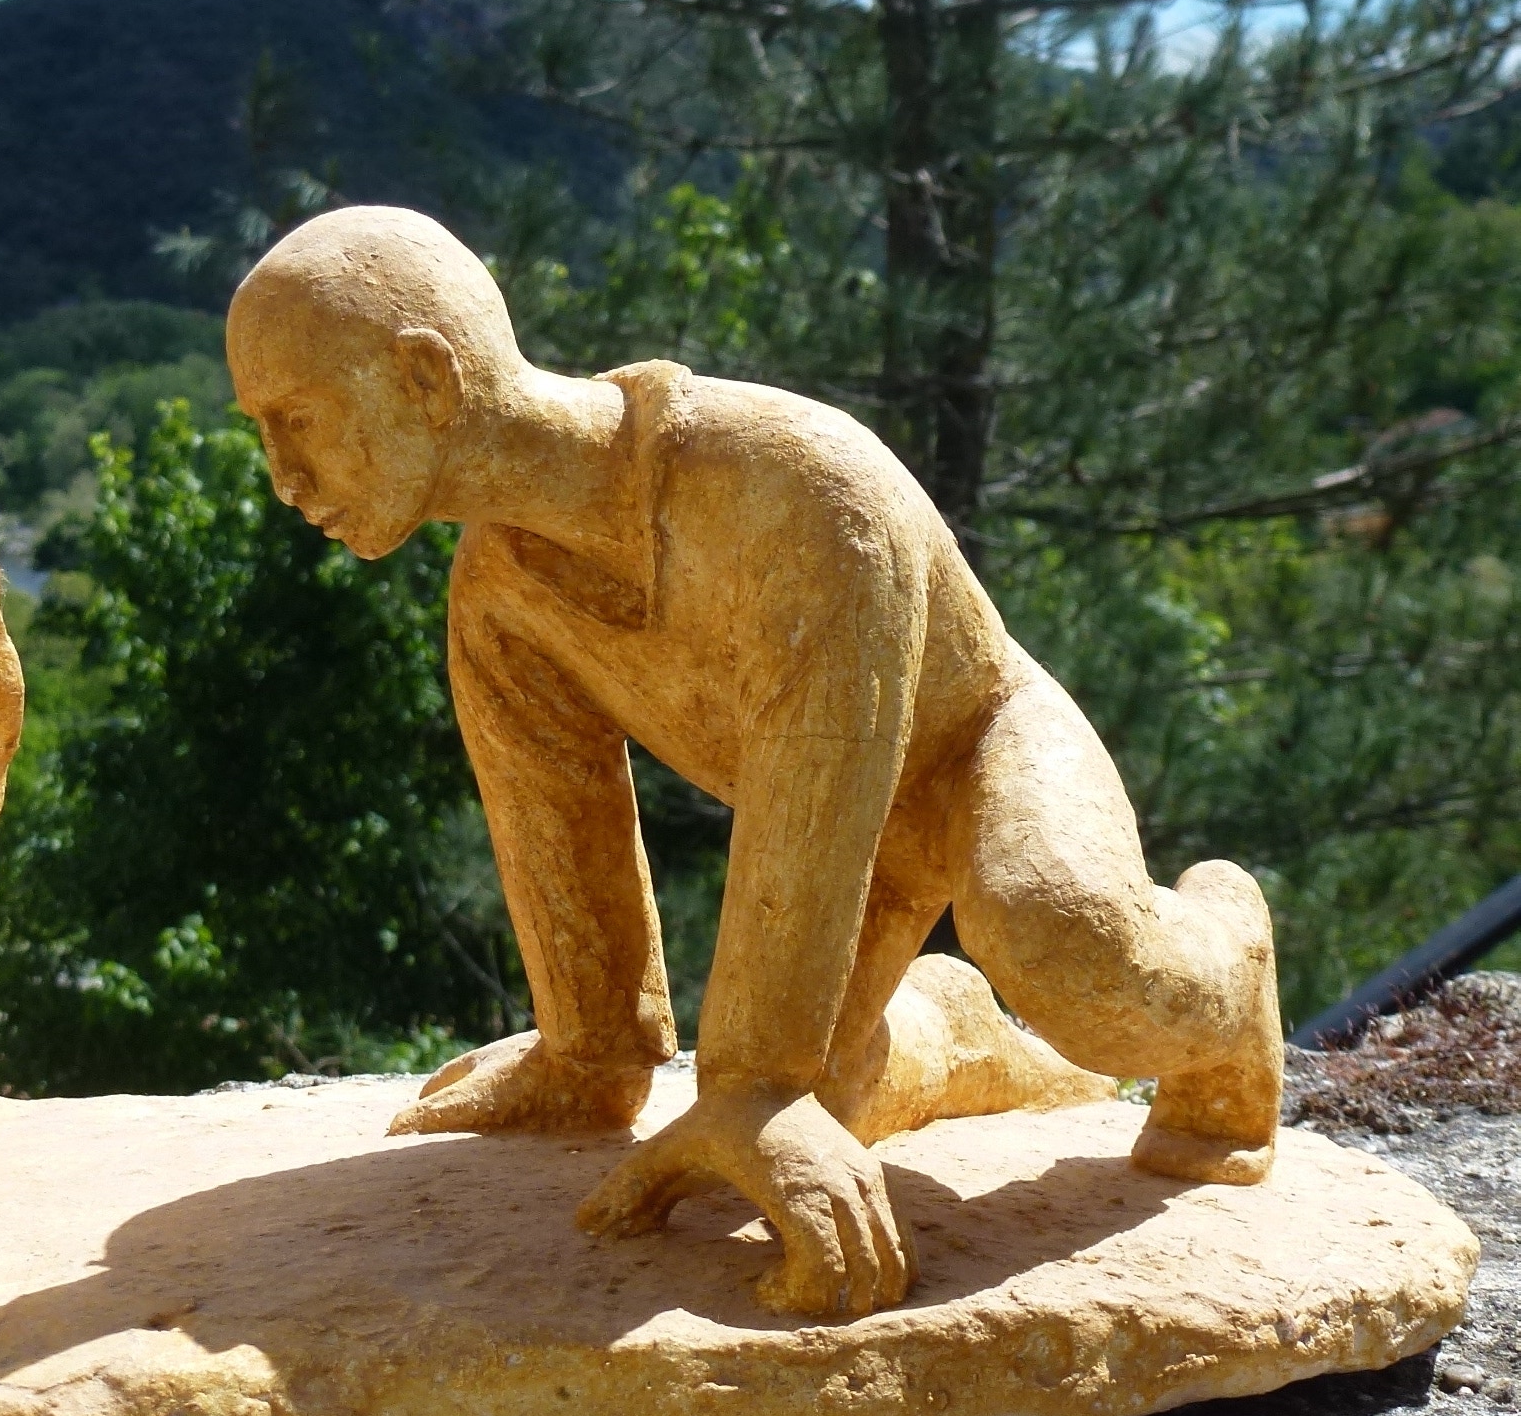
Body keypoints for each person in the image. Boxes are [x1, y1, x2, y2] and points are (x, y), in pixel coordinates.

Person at [227, 205, 1282, 1319]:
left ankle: (1233, 960)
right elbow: (562, 842)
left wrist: (754, 1088)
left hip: (975, 751)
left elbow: (824, 768)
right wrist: (588, 1058)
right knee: (820, 1096)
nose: (283, 476)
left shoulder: (790, 483)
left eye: (298, 420)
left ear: (425, 378)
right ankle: (949, 1032)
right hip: (842, 838)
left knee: (1063, 947)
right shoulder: (499, 601)